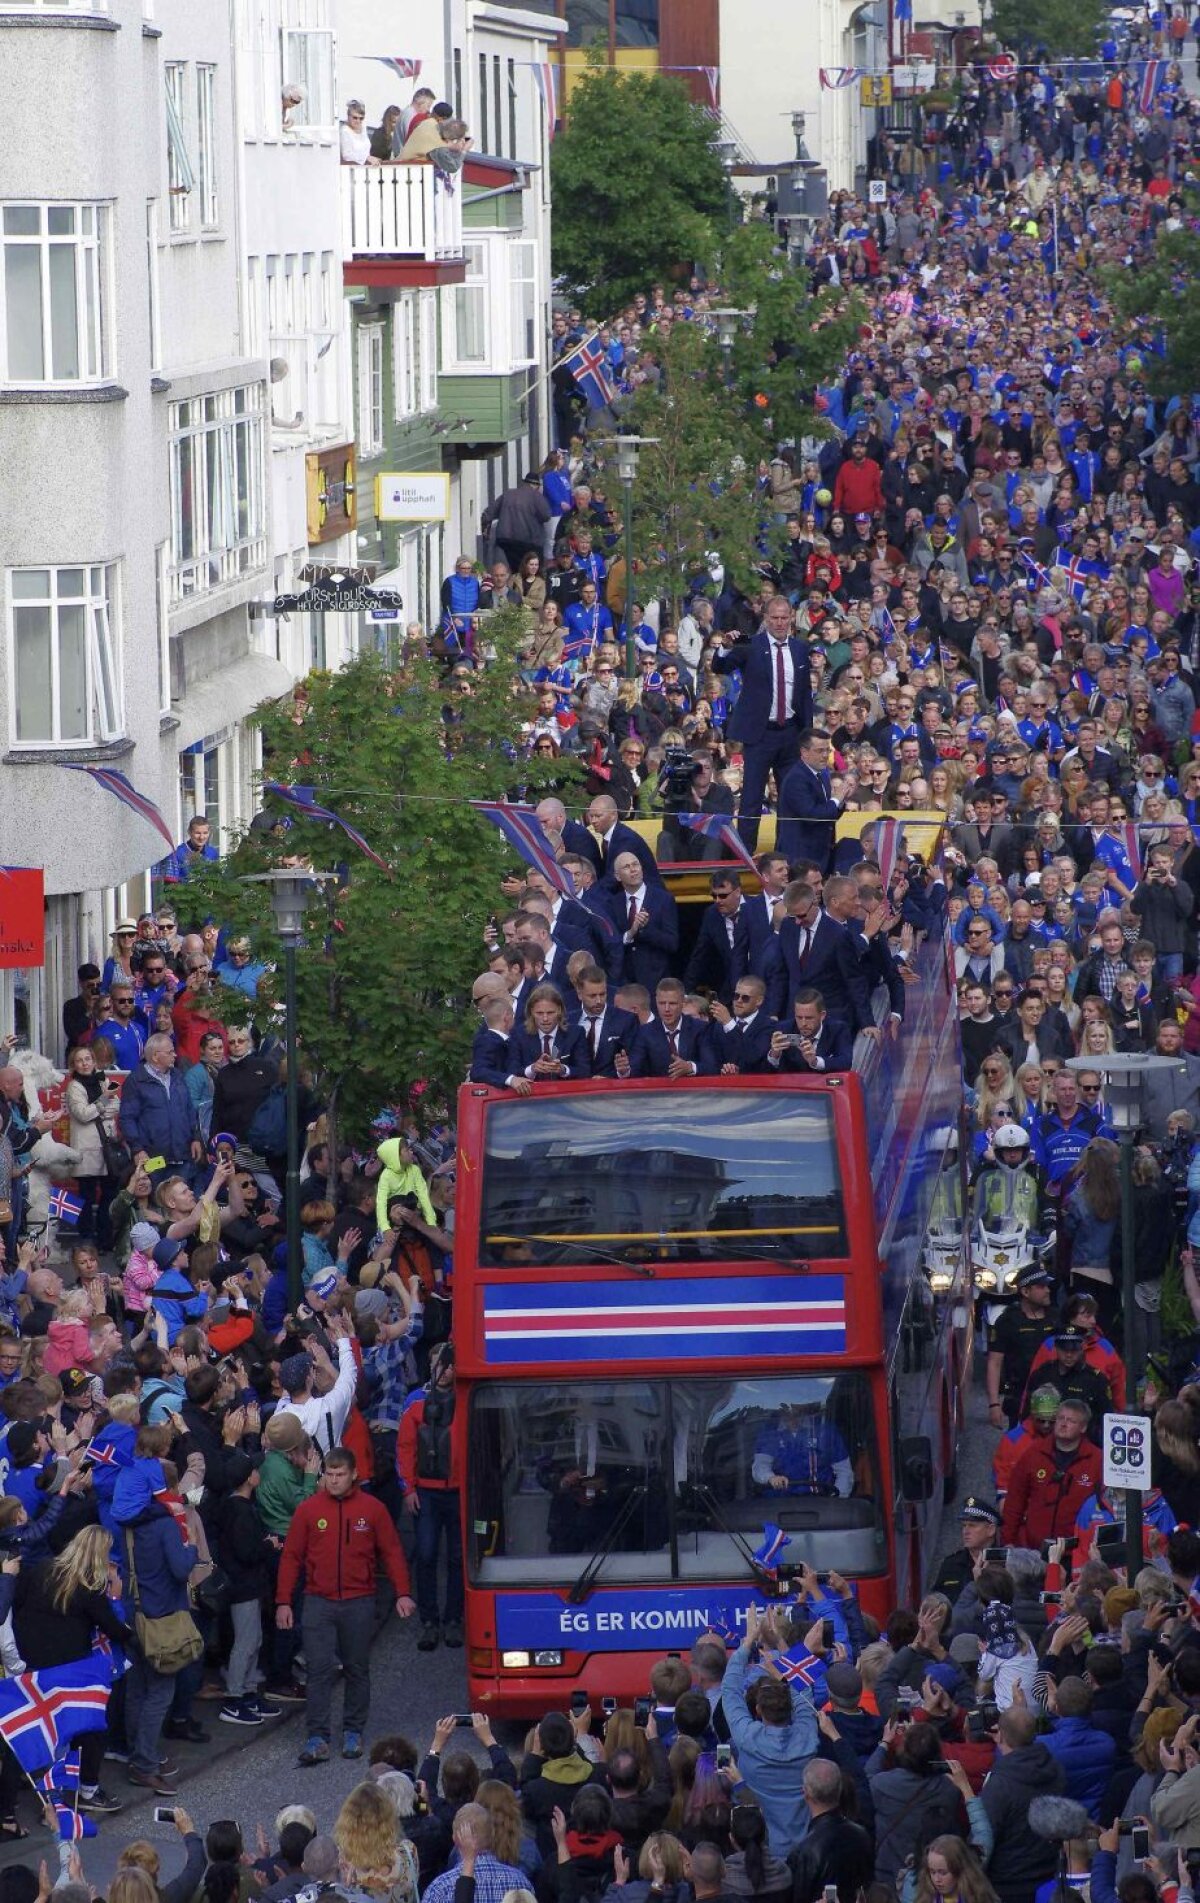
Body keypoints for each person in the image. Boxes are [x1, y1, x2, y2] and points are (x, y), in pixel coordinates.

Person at [276, 1445, 415, 1766]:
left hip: (359, 1600)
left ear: (354, 1475)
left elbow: (392, 1552)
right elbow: (291, 1557)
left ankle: (353, 1730)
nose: (334, 1480)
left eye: (340, 1475)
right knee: (319, 1670)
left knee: (356, 1668)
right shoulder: (309, 1511)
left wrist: (403, 1592)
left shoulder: (374, 1509)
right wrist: (283, 1601)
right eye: (329, 1474)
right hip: (318, 1601)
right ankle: (318, 1736)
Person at [713, 595, 813, 850]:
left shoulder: (801, 649)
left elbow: (804, 696)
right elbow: (720, 667)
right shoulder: (751, 645)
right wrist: (724, 645)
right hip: (760, 734)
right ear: (766, 619)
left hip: (791, 733)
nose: (780, 623)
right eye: (774, 618)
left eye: (784, 617)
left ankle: (786, 852)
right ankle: (745, 854)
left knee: (790, 797)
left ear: (791, 618)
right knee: (751, 799)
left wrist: (807, 734)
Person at [721, 1605, 817, 1855]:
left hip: (764, 1851)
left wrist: (748, 1641)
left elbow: (730, 1690)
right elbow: (803, 1691)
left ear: (758, 1710)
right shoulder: (808, 1733)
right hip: (804, 1848)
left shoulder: (746, 1736)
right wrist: (781, 1644)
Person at [397, 1342, 462, 1653]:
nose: (447, 1370)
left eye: (451, 1365)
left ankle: (453, 1618)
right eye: (442, 1365)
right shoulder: (416, 1405)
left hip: (460, 1491)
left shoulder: (465, 1401)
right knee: (426, 1555)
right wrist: (408, 1489)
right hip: (427, 1492)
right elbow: (406, 1449)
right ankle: (429, 1621)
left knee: (457, 1558)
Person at [1000, 1399, 1101, 1548]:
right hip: (1033, 1549)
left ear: (1083, 1427)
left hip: (1075, 1551)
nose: (1063, 1424)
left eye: (1071, 1420)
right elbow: (1015, 1500)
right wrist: (1008, 1541)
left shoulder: (1097, 1460)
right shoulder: (1034, 1453)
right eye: (1060, 1418)